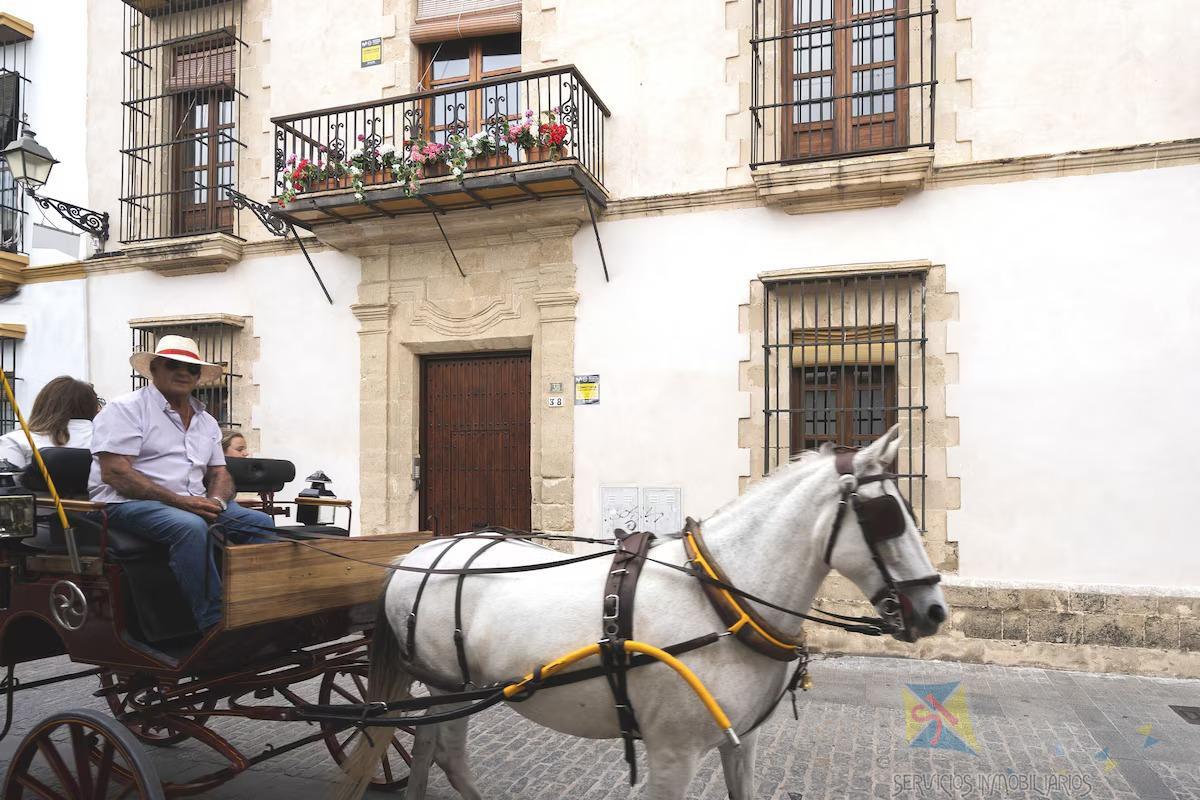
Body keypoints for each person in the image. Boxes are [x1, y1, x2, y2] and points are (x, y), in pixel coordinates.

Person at [89, 335, 276, 632]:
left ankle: (259, 609)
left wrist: (216, 501)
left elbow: (219, 473)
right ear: (154, 368)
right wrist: (180, 502)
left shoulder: (206, 421)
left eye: (191, 369)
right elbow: (116, 474)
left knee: (260, 523)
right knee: (188, 527)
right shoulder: (125, 409)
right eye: (173, 365)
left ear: (199, 376)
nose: (183, 373)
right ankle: (214, 623)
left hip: (190, 503)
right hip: (123, 504)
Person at [0, 376, 101, 469]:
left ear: (43, 405)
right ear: (92, 406)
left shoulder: (16, 440)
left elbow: (10, 483)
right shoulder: (108, 439)